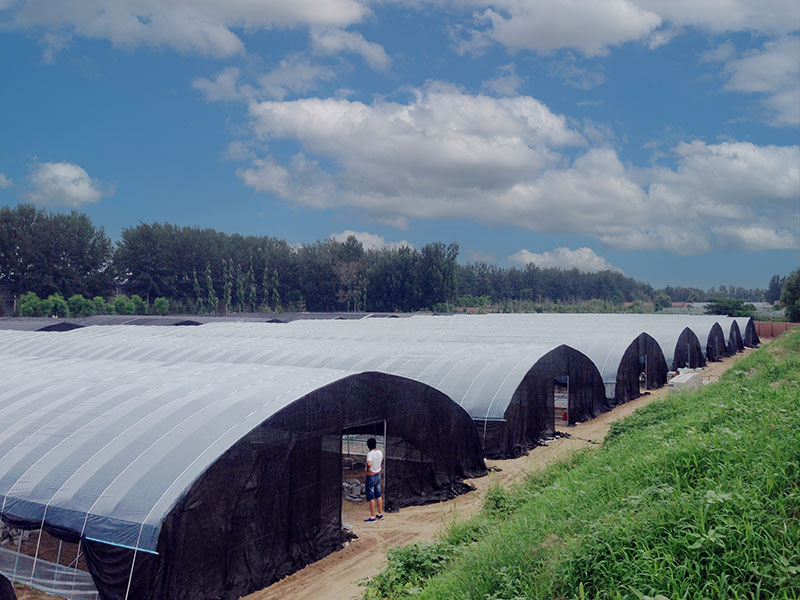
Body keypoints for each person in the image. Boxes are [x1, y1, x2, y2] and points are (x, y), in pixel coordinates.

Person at [363, 437, 384, 522]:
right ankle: (380, 514)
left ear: (368, 446)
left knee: (371, 496)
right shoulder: (380, 452)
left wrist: (368, 469)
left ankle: (372, 517)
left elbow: (369, 463)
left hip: (371, 476)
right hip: (378, 475)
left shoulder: (370, 454)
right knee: (378, 495)